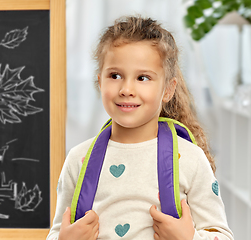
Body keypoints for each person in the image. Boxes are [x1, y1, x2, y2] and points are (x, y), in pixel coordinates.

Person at [47, 16, 234, 240]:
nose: (126, 89)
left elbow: (222, 236)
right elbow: (57, 231)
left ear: (168, 89)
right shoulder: (78, 159)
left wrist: (189, 238)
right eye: (115, 75)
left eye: (143, 78)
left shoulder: (190, 160)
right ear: (100, 82)